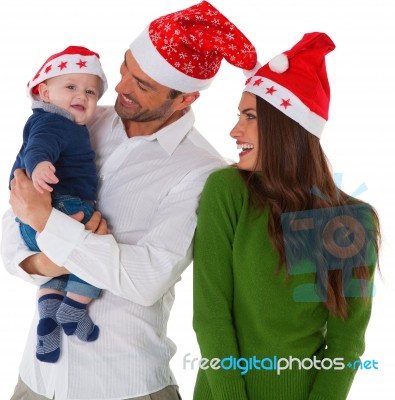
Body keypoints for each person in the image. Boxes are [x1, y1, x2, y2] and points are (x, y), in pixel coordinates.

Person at [2, 1, 258, 399]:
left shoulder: (202, 170)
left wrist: (48, 225)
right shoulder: (78, 120)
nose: (120, 87)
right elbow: (12, 216)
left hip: (125, 386)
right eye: (125, 68)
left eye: (143, 85)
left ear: (186, 99)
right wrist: (42, 260)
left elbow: (145, 280)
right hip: (37, 381)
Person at [192, 32, 380, 400]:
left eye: (250, 116)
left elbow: (346, 344)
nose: (235, 130)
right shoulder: (228, 191)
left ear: (286, 127)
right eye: (238, 116)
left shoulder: (346, 220)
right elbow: (211, 317)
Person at [9, 46, 108, 364]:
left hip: (29, 221)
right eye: (71, 86)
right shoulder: (56, 122)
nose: (82, 95)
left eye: (91, 91)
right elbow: (39, 147)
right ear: (44, 92)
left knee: (56, 269)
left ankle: (48, 318)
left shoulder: (54, 120)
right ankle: (74, 309)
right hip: (63, 204)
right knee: (97, 248)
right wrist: (39, 166)